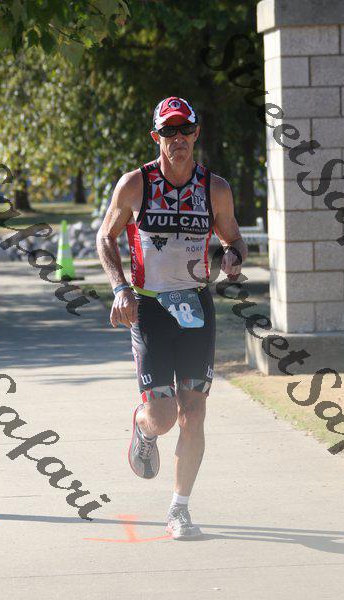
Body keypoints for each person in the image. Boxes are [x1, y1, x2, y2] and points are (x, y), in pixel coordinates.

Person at [96, 96, 248, 540]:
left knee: (193, 412)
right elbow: (106, 237)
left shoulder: (214, 188)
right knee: (163, 417)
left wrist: (233, 257)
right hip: (149, 309)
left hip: (196, 308)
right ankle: (143, 428)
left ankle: (179, 509)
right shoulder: (135, 184)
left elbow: (233, 237)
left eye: (185, 130)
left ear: (196, 133)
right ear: (156, 136)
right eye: (168, 131)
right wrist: (120, 288)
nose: (177, 138)